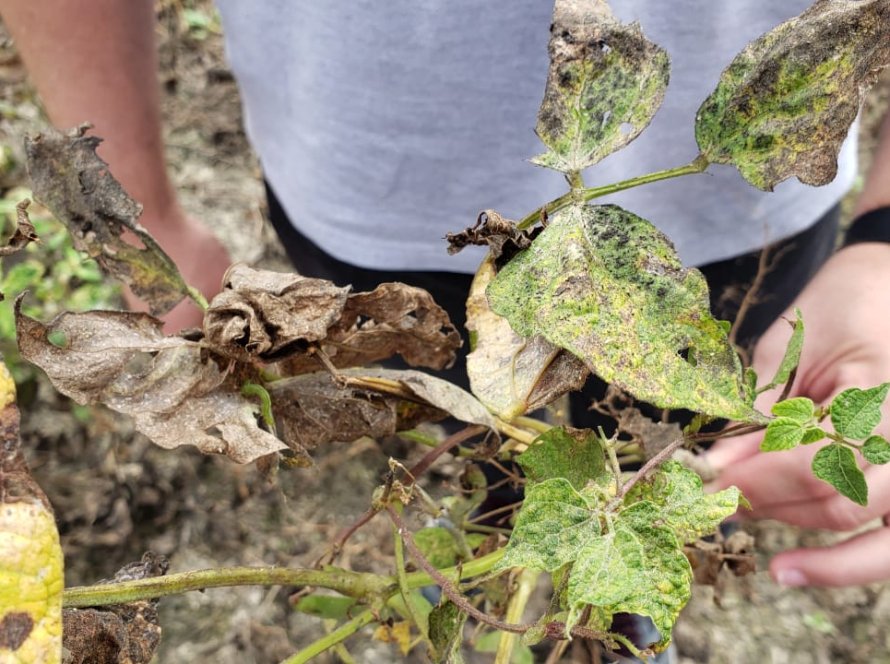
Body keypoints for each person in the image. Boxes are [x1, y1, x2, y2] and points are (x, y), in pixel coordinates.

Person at [2, 0, 889, 596]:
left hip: (738, 227)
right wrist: (137, 215)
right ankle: (506, 567)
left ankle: (609, 603)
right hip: (372, 217)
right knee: (479, 461)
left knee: (678, 464)